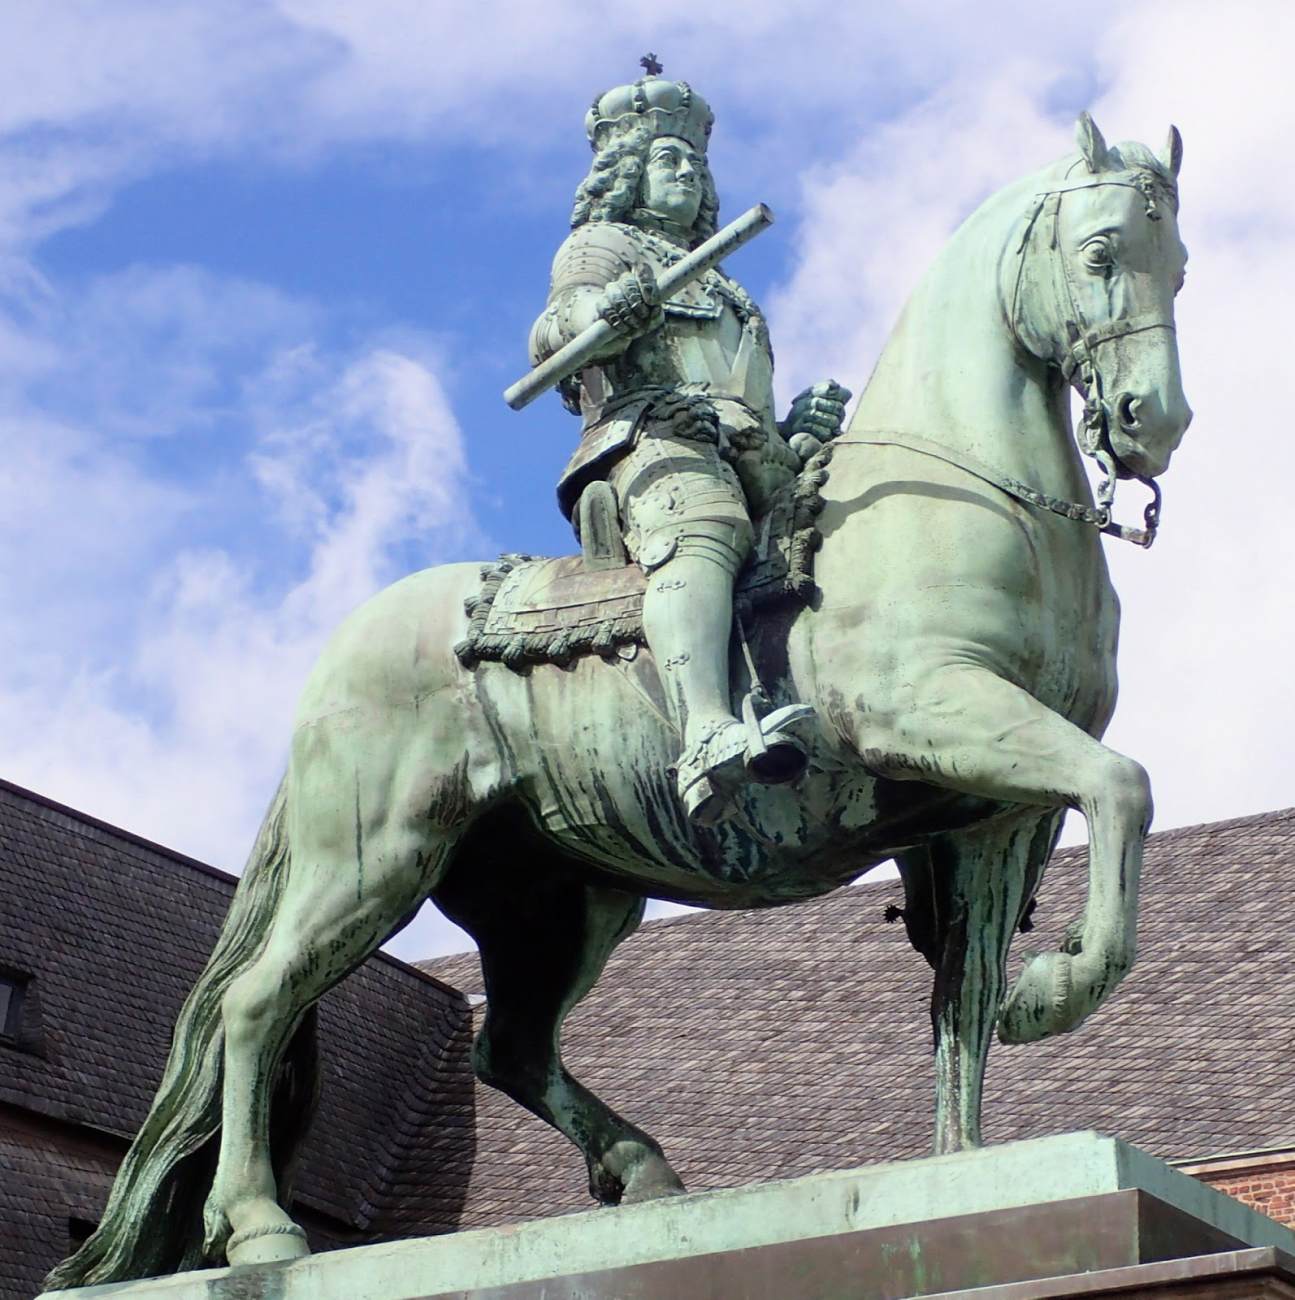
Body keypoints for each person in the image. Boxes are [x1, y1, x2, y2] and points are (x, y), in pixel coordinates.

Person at [529, 62, 849, 824]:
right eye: (667, 159)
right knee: (707, 528)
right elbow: (552, 334)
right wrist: (606, 311)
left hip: (750, 453)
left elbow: (743, 395)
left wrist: (797, 426)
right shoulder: (602, 246)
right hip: (650, 441)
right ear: (627, 174)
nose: (687, 172)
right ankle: (705, 730)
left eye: (694, 162)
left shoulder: (729, 286)